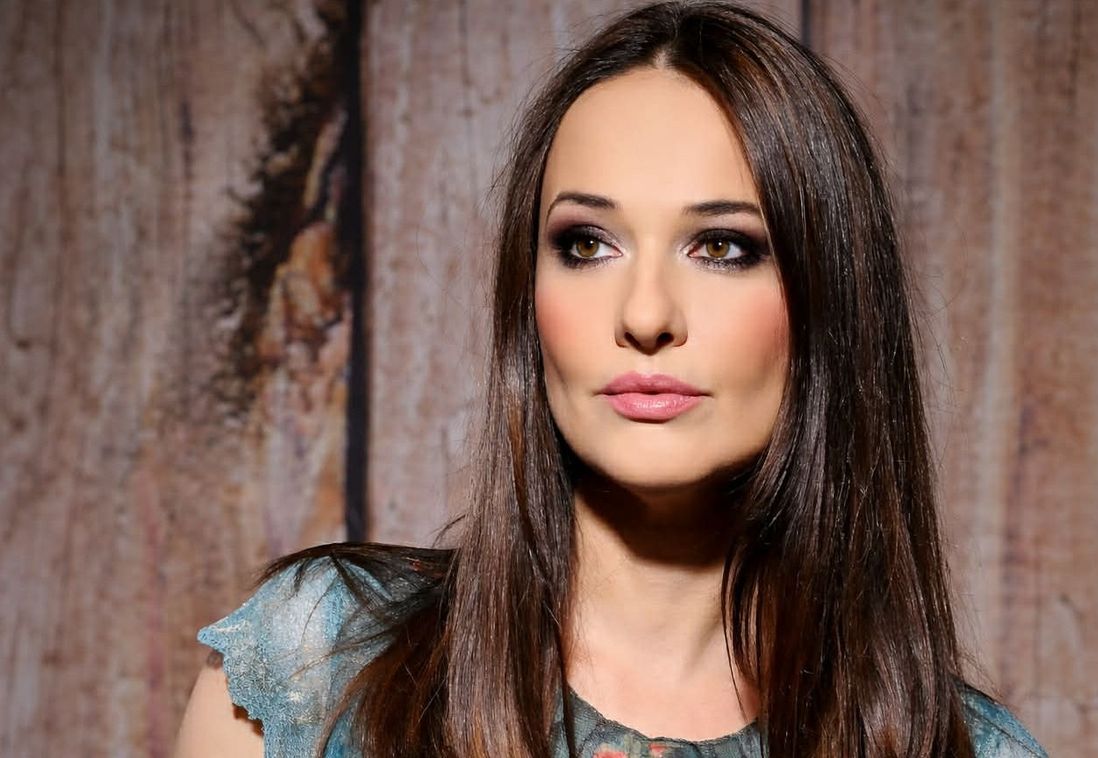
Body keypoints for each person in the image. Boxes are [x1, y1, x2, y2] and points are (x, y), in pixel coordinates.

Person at [173, 2, 1048, 756]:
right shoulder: (317, 668)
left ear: (830, 300)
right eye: (587, 244)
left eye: (723, 247)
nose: (645, 313)